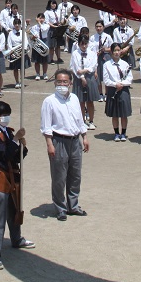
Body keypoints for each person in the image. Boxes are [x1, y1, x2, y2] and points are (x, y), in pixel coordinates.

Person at [0, 101, 35, 269]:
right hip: (0, 176)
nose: (7, 117)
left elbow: (17, 156)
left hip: (14, 176)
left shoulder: (9, 132)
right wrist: (15, 141)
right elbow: (2, 155)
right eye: (4, 114)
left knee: (15, 210)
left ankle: (16, 239)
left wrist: (23, 147)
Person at [40, 68, 89, 221]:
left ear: (70, 83)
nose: (62, 84)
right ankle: (60, 207)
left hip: (75, 141)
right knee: (59, 176)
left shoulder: (74, 98)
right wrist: (49, 144)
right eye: (59, 82)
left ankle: (73, 206)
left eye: (65, 82)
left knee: (75, 175)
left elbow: (79, 119)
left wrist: (85, 137)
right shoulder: (49, 101)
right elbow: (46, 125)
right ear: (55, 82)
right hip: (58, 140)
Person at [102, 43, 133, 141]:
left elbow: (130, 78)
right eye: (114, 50)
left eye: (118, 50)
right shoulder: (106, 65)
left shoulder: (125, 64)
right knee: (115, 114)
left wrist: (122, 84)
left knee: (124, 113)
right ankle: (116, 133)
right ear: (111, 52)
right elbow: (106, 80)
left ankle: (123, 133)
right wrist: (115, 85)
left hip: (123, 90)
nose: (116, 52)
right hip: (112, 90)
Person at [70, 35, 99, 130]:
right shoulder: (75, 53)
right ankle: (82, 122)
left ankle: (91, 121)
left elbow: (94, 65)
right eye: (82, 44)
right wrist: (82, 77)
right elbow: (75, 67)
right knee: (81, 102)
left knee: (90, 101)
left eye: (85, 43)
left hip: (90, 77)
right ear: (78, 44)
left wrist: (85, 70)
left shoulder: (92, 53)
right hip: (79, 79)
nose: (84, 46)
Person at [89, 20, 112, 101]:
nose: (98, 28)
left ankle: (106, 93)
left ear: (103, 27)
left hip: (106, 56)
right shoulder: (92, 37)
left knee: (106, 75)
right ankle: (100, 94)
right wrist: (95, 53)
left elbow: (112, 48)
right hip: (96, 57)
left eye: (100, 26)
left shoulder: (107, 36)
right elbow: (90, 49)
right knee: (97, 76)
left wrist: (105, 49)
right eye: (97, 27)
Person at [6, 18, 29, 88]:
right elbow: (9, 43)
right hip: (14, 51)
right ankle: (17, 82)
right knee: (15, 68)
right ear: (13, 25)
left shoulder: (23, 32)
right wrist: (11, 51)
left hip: (22, 52)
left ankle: (22, 81)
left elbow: (26, 42)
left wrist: (23, 50)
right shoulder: (10, 33)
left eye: (18, 24)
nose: (17, 25)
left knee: (22, 68)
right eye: (15, 24)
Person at [29, 13, 50, 81]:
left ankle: (44, 74)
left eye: (42, 18)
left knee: (45, 60)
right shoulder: (34, 27)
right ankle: (37, 74)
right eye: (39, 18)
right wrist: (33, 37)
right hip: (36, 43)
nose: (41, 20)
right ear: (37, 18)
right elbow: (30, 36)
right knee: (37, 60)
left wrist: (39, 22)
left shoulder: (47, 25)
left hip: (44, 42)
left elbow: (43, 29)